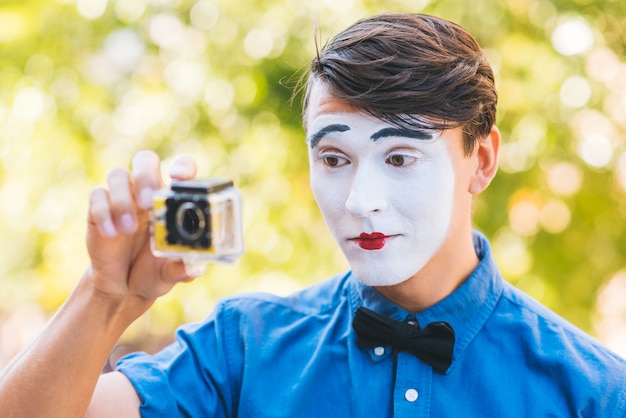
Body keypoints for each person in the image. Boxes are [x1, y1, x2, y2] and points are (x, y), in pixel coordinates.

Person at [1, 12, 625, 418]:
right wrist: (106, 295)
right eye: (333, 157)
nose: (359, 200)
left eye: (401, 158)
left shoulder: (595, 392)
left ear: (480, 161)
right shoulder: (241, 349)